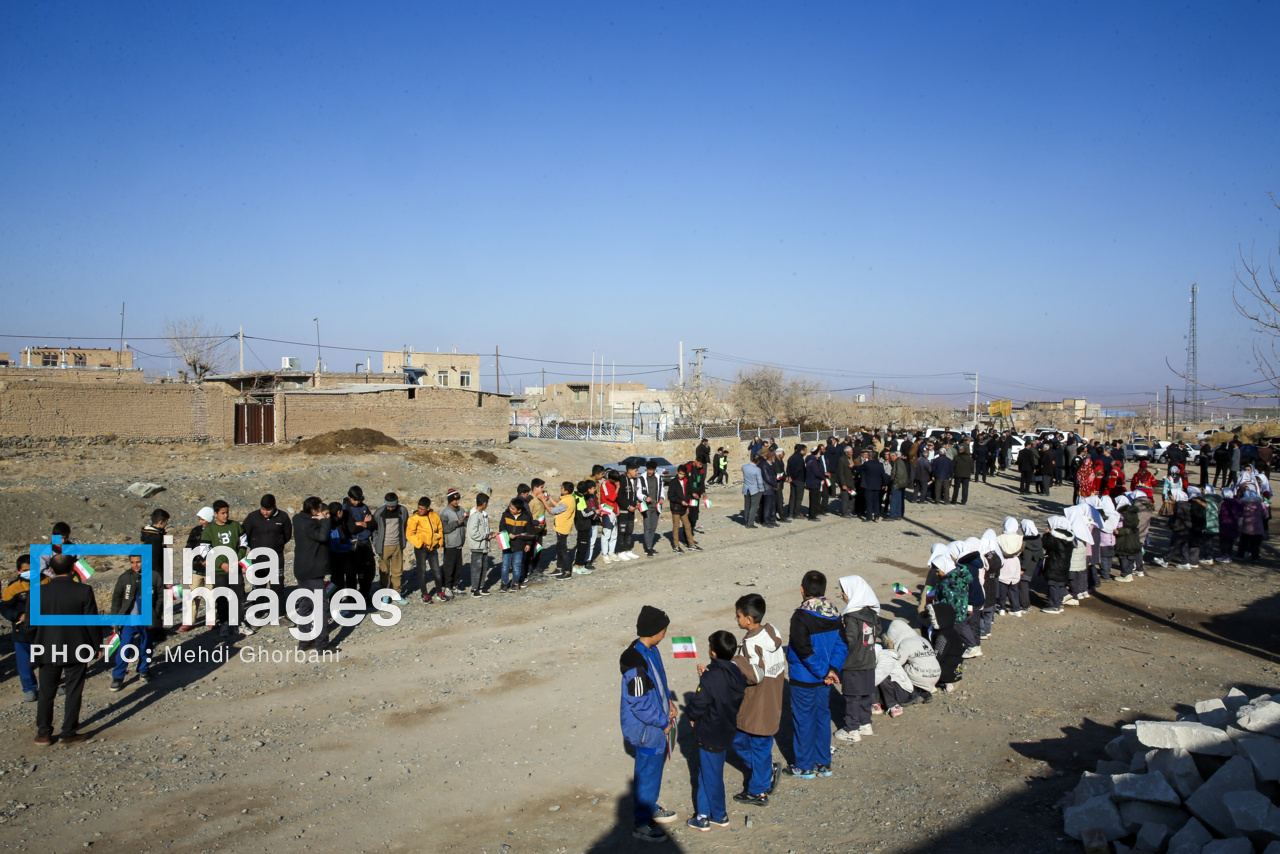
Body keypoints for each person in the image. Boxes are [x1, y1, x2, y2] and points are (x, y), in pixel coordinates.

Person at [619, 605, 679, 843]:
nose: (665, 634)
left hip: (655, 725)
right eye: (663, 630)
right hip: (647, 729)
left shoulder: (651, 650)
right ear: (654, 631)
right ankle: (642, 823)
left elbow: (660, 684)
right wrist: (663, 722)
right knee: (646, 773)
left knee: (652, 772)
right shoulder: (635, 664)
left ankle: (649, 807)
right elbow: (640, 704)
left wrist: (670, 702)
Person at [32, 554, 102, 745]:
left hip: (46, 649)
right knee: (73, 690)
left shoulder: (37, 592)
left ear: (51, 570)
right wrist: (96, 646)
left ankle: (43, 733)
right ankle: (68, 732)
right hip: (76, 648)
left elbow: (30, 626)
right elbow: (91, 623)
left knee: (46, 691)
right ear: (73, 569)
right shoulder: (84, 591)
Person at [784, 570, 847, 779]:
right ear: (825, 590)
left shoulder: (800, 617)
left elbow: (803, 650)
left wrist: (823, 672)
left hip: (804, 679)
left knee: (804, 720)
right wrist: (832, 670)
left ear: (802, 590)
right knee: (822, 718)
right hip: (825, 680)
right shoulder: (834, 613)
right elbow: (842, 644)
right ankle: (823, 763)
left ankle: (804, 765)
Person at [686, 630, 747, 832]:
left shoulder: (712, 678)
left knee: (712, 776)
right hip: (725, 729)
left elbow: (699, 703)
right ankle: (702, 815)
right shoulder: (736, 674)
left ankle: (719, 815)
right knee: (707, 772)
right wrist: (708, 676)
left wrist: (692, 716)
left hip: (710, 731)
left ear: (713, 652)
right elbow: (721, 689)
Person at [730, 594, 786, 807]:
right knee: (745, 741)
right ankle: (764, 771)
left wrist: (736, 662)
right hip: (773, 699)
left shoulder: (750, 644)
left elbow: (754, 675)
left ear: (748, 620)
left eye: (738, 616)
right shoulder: (772, 632)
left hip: (757, 704)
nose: (736, 620)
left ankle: (758, 791)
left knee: (754, 743)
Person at [834, 575, 880, 743]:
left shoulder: (851, 616)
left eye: (844, 591)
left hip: (853, 663)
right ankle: (865, 723)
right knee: (866, 693)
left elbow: (849, 639)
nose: (841, 594)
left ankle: (852, 729)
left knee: (852, 696)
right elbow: (878, 631)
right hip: (869, 660)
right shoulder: (872, 613)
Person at [201, 500, 252, 640]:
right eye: (222, 513)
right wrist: (221, 563)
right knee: (222, 598)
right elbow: (205, 550)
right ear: (216, 514)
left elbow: (243, 544)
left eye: (227, 512)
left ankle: (239, 622)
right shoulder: (209, 530)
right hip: (219, 571)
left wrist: (237, 560)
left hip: (235, 568)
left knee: (239, 596)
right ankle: (224, 623)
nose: (225, 515)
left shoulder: (235, 526)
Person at [108, 553, 158, 691]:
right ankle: (118, 676)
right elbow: (116, 599)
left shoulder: (153, 577)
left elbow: (160, 598)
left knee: (146, 645)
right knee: (125, 647)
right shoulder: (124, 578)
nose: (136, 565)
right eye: (132, 562)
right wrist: (115, 619)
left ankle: (144, 670)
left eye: (139, 562)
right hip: (129, 620)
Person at [292, 497, 333, 651]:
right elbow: (322, 536)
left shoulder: (297, 518)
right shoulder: (311, 523)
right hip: (313, 570)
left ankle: (304, 641)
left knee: (305, 604)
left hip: (301, 569)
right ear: (315, 510)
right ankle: (322, 644)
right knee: (320, 607)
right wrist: (324, 521)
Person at [2, 555, 39, 702]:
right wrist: (18, 615)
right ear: (18, 571)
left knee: (50, 658)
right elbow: (4, 607)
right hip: (22, 630)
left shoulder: (46, 581)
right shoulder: (13, 587)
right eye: (26, 570)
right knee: (24, 661)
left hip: (45, 629)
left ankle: (53, 684)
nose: (30, 572)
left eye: (33, 569)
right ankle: (29, 688)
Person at [241, 494, 292, 595]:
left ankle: (278, 609)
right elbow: (244, 534)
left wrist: (277, 544)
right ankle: (258, 609)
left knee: (277, 586)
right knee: (258, 585)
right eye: (263, 509)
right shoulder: (253, 517)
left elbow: (287, 535)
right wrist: (255, 545)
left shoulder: (283, 517)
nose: (265, 512)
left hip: (276, 557)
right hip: (258, 557)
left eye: (268, 510)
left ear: (274, 507)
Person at [883, 619, 939, 701]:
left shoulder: (905, 643)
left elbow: (898, 663)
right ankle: (926, 692)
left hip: (921, 676)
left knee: (900, 668)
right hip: (935, 675)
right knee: (917, 664)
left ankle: (913, 693)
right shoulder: (923, 639)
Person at [373, 493, 409, 606]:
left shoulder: (403, 511)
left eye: (392, 506)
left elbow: (406, 525)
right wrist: (376, 543)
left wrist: (404, 541)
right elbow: (374, 530)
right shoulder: (379, 513)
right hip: (383, 547)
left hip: (397, 546)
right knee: (384, 572)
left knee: (397, 572)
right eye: (388, 506)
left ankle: (396, 594)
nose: (390, 508)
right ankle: (385, 594)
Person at [407, 497, 445, 602]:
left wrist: (439, 542)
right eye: (418, 508)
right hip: (421, 549)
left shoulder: (435, 516)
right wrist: (420, 544)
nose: (420, 510)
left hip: (433, 548)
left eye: (422, 509)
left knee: (436, 570)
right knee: (422, 571)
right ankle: (425, 594)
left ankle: (439, 591)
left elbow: (440, 529)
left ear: (428, 508)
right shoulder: (414, 519)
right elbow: (409, 534)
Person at [343, 486, 377, 601]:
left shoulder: (364, 507)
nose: (356, 502)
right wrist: (365, 523)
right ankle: (352, 598)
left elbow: (373, 524)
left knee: (368, 571)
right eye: (354, 500)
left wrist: (362, 524)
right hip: (353, 544)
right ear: (349, 497)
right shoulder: (346, 509)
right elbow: (351, 528)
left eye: (358, 500)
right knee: (352, 573)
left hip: (366, 543)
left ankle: (364, 594)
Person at [497, 497, 533, 592]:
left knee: (517, 565)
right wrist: (508, 534)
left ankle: (515, 582)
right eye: (510, 507)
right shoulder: (505, 515)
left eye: (513, 509)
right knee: (505, 565)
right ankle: (504, 583)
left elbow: (529, 532)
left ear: (519, 510)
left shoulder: (526, 518)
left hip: (519, 546)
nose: (510, 509)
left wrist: (528, 544)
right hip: (507, 545)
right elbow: (501, 526)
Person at [438, 490, 468, 595]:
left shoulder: (461, 510)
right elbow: (444, 528)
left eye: (458, 499)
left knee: (458, 566)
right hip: (450, 543)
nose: (456, 501)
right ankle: (446, 587)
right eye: (454, 499)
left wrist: (467, 517)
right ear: (450, 500)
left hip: (459, 543)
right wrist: (456, 523)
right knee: (448, 566)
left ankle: (455, 586)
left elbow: (466, 522)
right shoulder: (445, 513)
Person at [548, 481, 577, 579]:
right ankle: (559, 568)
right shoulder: (570, 498)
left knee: (563, 550)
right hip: (564, 527)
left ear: (566, 491)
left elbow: (552, 511)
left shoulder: (566, 502)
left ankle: (567, 571)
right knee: (559, 547)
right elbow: (559, 506)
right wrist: (550, 498)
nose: (560, 489)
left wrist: (543, 500)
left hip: (562, 528)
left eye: (562, 488)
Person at [667, 466, 700, 551]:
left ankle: (691, 544)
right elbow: (670, 496)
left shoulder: (686, 481)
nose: (681, 475)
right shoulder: (673, 482)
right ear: (677, 472)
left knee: (687, 526)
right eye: (680, 473)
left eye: (683, 474)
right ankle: (676, 546)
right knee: (676, 526)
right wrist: (680, 502)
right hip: (676, 508)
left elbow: (688, 492)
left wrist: (693, 494)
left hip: (684, 508)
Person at [466, 493, 494, 595]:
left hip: (484, 546)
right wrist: (486, 536)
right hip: (477, 546)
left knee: (483, 568)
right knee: (476, 569)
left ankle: (481, 587)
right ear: (484, 503)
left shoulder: (483, 515)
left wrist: (491, 533)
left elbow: (485, 529)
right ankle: (474, 589)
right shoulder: (475, 516)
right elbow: (474, 533)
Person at [1238, 488, 1270, 562]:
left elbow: (1242, 514)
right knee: (1256, 544)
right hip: (1258, 528)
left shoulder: (1244, 505)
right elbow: (1266, 515)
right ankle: (1255, 557)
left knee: (1243, 543)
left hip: (1246, 527)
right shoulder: (1261, 505)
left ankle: (1240, 555)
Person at [741, 455, 764, 528]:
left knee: (747, 506)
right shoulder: (757, 469)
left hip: (746, 488)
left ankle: (746, 521)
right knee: (753, 507)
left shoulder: (744, 467)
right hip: (755, 489)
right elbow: (759, 481)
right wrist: (761, 490)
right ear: (758, 462)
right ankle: (750, 523)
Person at [786, 443, 807, 520]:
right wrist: (793, 477)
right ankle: (796, 513)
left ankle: (790, 513)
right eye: (805, 451)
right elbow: (798, 470)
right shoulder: (799, 458)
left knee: (792, 497)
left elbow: (788, 468)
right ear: (801, 451)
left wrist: (789, 476)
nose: (805, 452)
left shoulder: (791, 457)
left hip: (792, 480)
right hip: (799, 480)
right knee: (798, 498)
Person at [805, 446, 827, 519]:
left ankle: (813, 513)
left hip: (813, 482)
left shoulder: (811, 460)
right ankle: (812, 515)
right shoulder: (813, 461)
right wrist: (823, 477)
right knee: (814, 499)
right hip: (813, 482)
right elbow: (816, 472)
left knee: (814, 498)